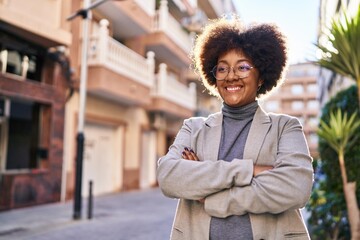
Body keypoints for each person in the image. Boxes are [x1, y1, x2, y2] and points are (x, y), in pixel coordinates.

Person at [157, 16, 314, 240]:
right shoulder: (194, 128)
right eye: (222, 69)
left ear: (261, 76)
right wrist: (250, 170)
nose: (231, 76)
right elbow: (168, 177)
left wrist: (211, 196)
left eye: (242, 67)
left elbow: (296, 189)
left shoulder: (285, 128)